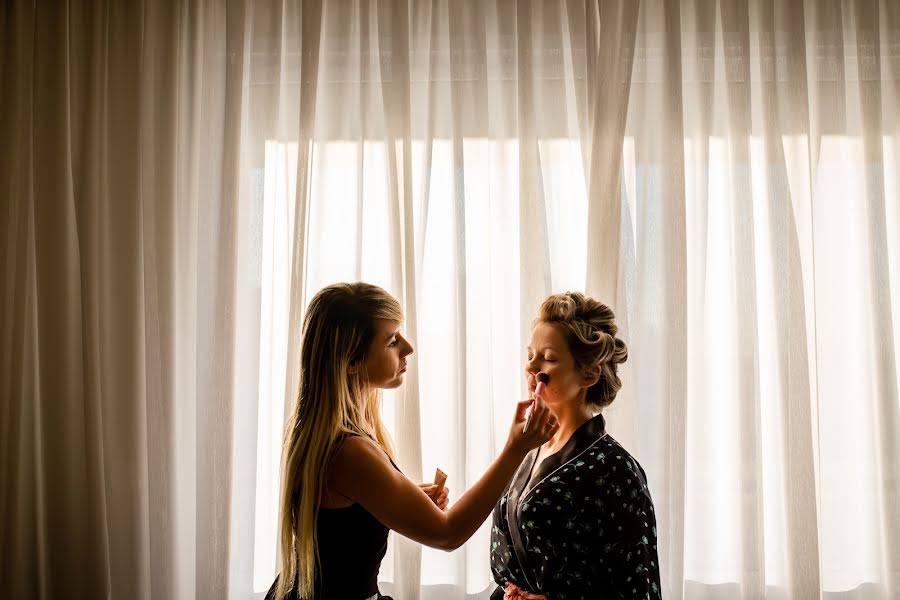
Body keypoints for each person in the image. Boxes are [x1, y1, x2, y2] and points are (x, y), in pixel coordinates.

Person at [266, 282, 559, 600]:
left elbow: (339, 523)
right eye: (392, 341)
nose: (408, 348)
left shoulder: (331, 432)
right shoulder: (349, 452)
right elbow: (448, 534)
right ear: (351, 362)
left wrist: (403, 499)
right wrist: (515, 449)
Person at [490, 292, 662, 599]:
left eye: (549, 358)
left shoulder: (615, 469)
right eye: (530, 355)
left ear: (589, 374)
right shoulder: (529, 451)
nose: (532, 368)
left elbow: (638, 585)